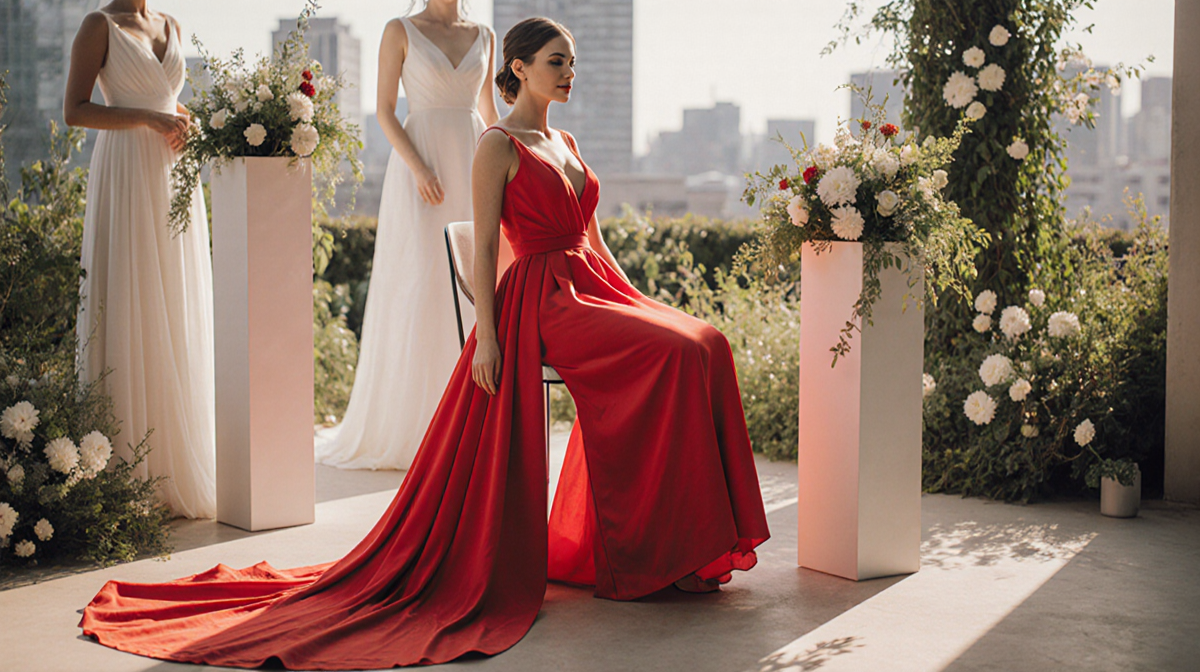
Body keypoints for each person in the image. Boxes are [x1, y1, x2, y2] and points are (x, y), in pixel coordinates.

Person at [79, 17, 769, 669]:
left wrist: (635, 299)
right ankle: (661, 552)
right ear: (519, 70)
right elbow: (487, 253)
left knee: (705, 340)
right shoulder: (496, 144)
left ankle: (682, 546)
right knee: (679, 354)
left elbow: (593, 238)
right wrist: (489, 338)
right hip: (542, 300)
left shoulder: (569, 143)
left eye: (573, 65)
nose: (569, 75)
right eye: (557, 64)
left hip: (590, 284)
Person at [314, 0, 504, 470]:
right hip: (421, 171)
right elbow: (382, 111)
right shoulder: (399, 30)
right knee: (420, 284)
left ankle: (470, 418)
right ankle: (416, 425)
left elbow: (489, 110)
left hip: (473, 160)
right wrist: (419, 167)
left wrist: (516, 166)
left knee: (473, 281)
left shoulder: (484, 34)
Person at [65, 0, 215, 519]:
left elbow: (165, 96)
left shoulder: (172, 24)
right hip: (126, 170)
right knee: (132, 297)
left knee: (174, 303)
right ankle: (128, 470)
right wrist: (151, 118)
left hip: (172, 175)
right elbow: (75, 110)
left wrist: (181, 118)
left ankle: (176, 461)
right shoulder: (97, 26)